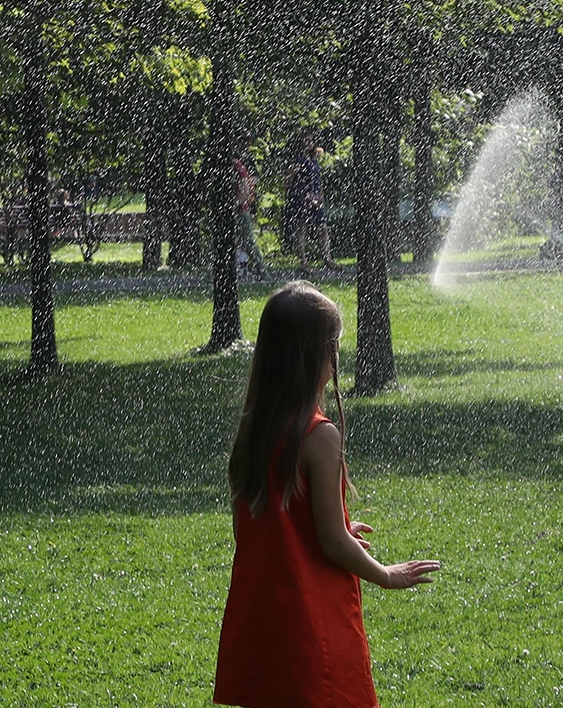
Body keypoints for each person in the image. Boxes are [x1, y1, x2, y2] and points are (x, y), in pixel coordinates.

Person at [214, 282, 440, 708]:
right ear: (316, 357)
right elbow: (333, 542)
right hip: (310, 621)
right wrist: (386, 574)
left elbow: (259, 528)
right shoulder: (319, 435)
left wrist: (328, 525)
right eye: (332, 347)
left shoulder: (254, 430)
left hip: (263, 622)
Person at [284, 134, 339, 274]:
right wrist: (294, 196)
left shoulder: (313, 159)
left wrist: (320, 194)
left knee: (323, 227)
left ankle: (328, 259)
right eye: (306, 140)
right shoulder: (297, 161)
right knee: (302, 228)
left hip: (315, 198)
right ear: (300, 143)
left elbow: (317, 179)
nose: (309, 142)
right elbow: (288, 180)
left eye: (311, 140)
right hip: (301, 198)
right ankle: (303, 262)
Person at [234, 134, 268, 278]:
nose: (247, 144)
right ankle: (241, 265)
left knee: (247, 239)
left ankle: (257, 268)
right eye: (244, 141)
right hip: (242, 200)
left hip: (243, 202)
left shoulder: (245, 161)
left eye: (248, 142)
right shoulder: (237, 158)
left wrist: (248, 182)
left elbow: (253, 178)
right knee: (240, 239)